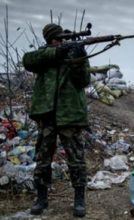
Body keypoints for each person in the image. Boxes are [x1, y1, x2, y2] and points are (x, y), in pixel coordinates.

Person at [22, 23, 90, 217]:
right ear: (50, 41)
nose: (61, 42)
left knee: (76, 159)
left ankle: (79, 199)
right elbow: (28, 61)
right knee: (43, 158)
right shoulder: (43, 55)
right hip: (47, 114)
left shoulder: (74, 53)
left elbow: (84, 80)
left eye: (62, 39)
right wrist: (56, 53)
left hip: (70, 115)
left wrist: (77, 57)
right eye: (57, 39)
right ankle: (41, 198)